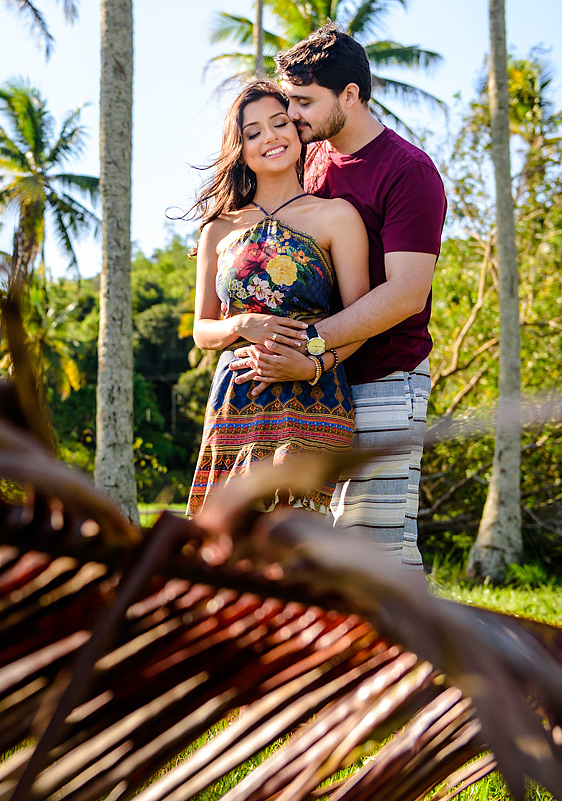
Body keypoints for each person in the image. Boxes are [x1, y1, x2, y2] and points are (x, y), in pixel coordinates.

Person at [230, 24, 448, 571]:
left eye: (304, 101)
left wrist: (309, 347)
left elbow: (404, 294)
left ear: (350, 95)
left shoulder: (409, 171)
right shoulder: (316, 158)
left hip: (384, 377)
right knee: (328, 550)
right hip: (314, 383)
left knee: (372, 547)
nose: (293, 114)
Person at [184, 79, 370, 519]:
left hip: (314, 395)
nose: (270, 137)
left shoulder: (336, 216)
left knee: (295, 545)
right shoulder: (218, 229)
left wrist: (313, 363)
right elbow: (201, 331)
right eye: (253, 132)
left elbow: (363, 318)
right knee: (229, 547)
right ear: (241, 148)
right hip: (236, 399)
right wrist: (238, 326)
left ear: (297, 130)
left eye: (279, 123)